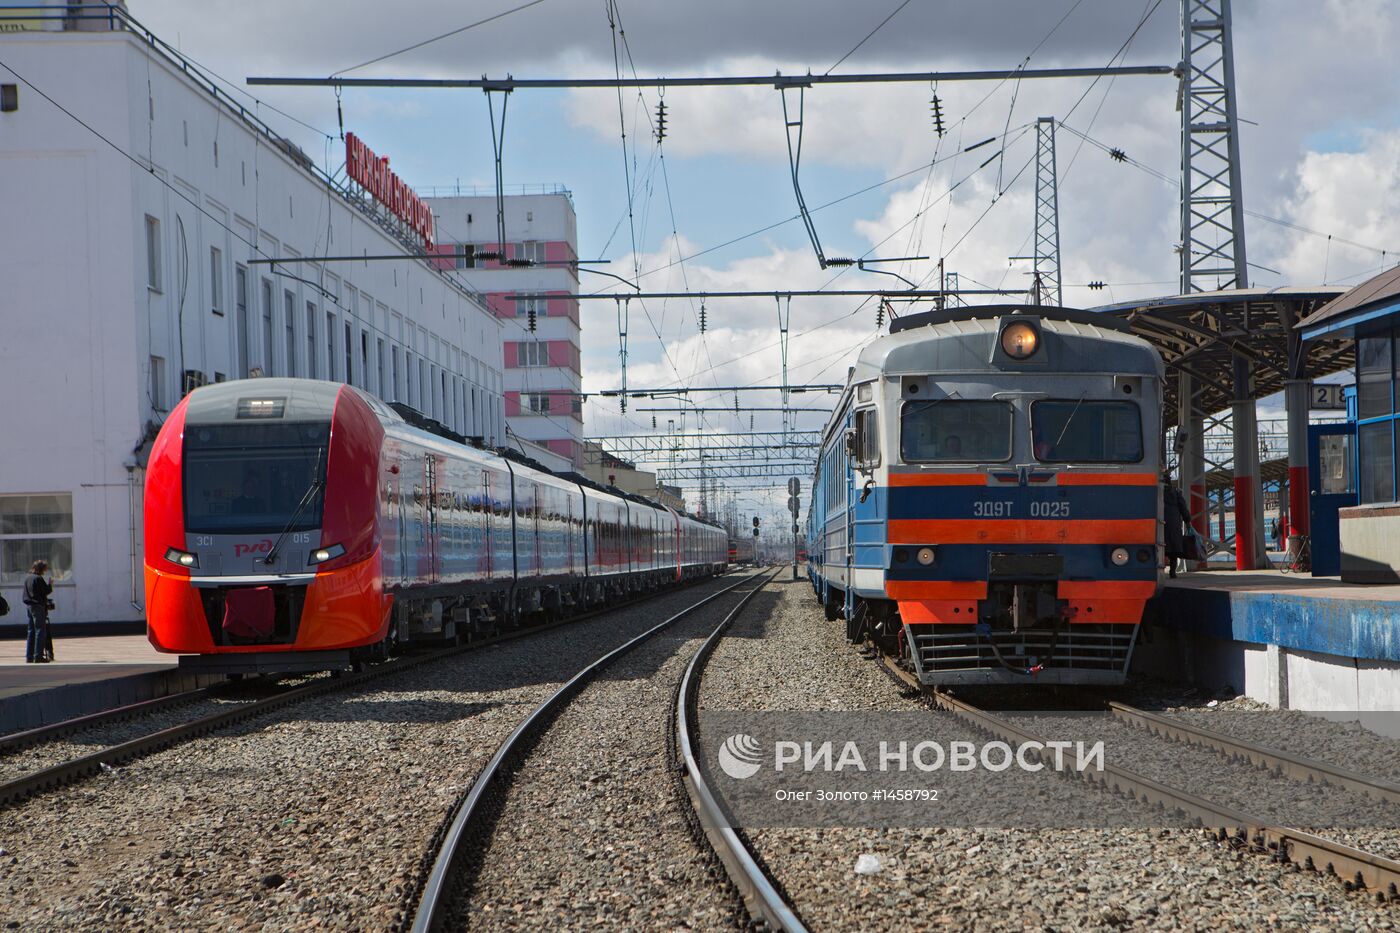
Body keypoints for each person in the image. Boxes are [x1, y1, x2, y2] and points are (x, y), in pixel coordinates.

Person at [22, 560, 53, 664]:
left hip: (29, 606)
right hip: (38, 606)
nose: (45, 571)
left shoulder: (27, 578)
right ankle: (38, 656)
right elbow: (46, 591)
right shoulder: (38, 578)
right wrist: (50, 584)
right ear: (41, 569)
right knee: (40, 631)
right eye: (44, 569)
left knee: (31, 632)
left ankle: (29, 656)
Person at [1162, 473, 1191, 579]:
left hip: (1160, 523)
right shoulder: (1176, 492)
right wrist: (1187, 521)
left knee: (1160, 548)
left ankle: (1159, 570)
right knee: (1173, 551)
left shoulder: (1156, 492)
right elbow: (1183, 508)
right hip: (1174, 524)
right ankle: (1172, 572)